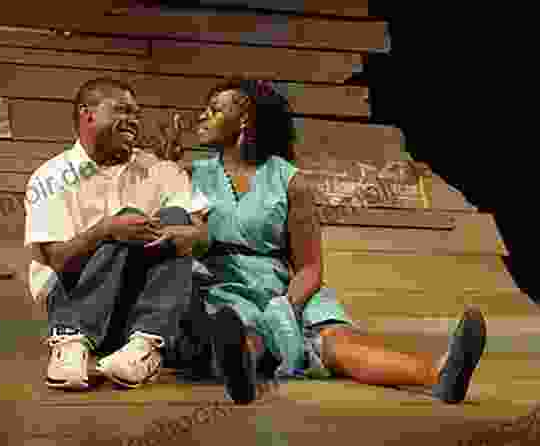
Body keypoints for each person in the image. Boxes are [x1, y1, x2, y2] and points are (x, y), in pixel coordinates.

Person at [157, 78, 487, 404]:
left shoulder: (289, 180)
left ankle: (439, 375)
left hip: (284, 287)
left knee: (338, 343)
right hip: (221, 283)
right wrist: (164, 167)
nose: (201, 116)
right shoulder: (190, 174)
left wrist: (285, 306)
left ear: (244, 119)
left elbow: (311, 267)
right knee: (243, 334)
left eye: (213, 110)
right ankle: (241, 374)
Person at [24, 77, 257, 404]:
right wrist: (106, 230)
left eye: (136, 112)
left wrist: (187, 234)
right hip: (76, 298)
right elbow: (58, 260)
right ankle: (70, 343)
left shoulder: (159, 169)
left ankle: (144, 347)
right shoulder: (50, 177)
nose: (134, 119)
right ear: (87, 114)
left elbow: (202, 236)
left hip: (142, 303)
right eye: (122, 110)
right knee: (128, 217)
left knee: (175, 219)